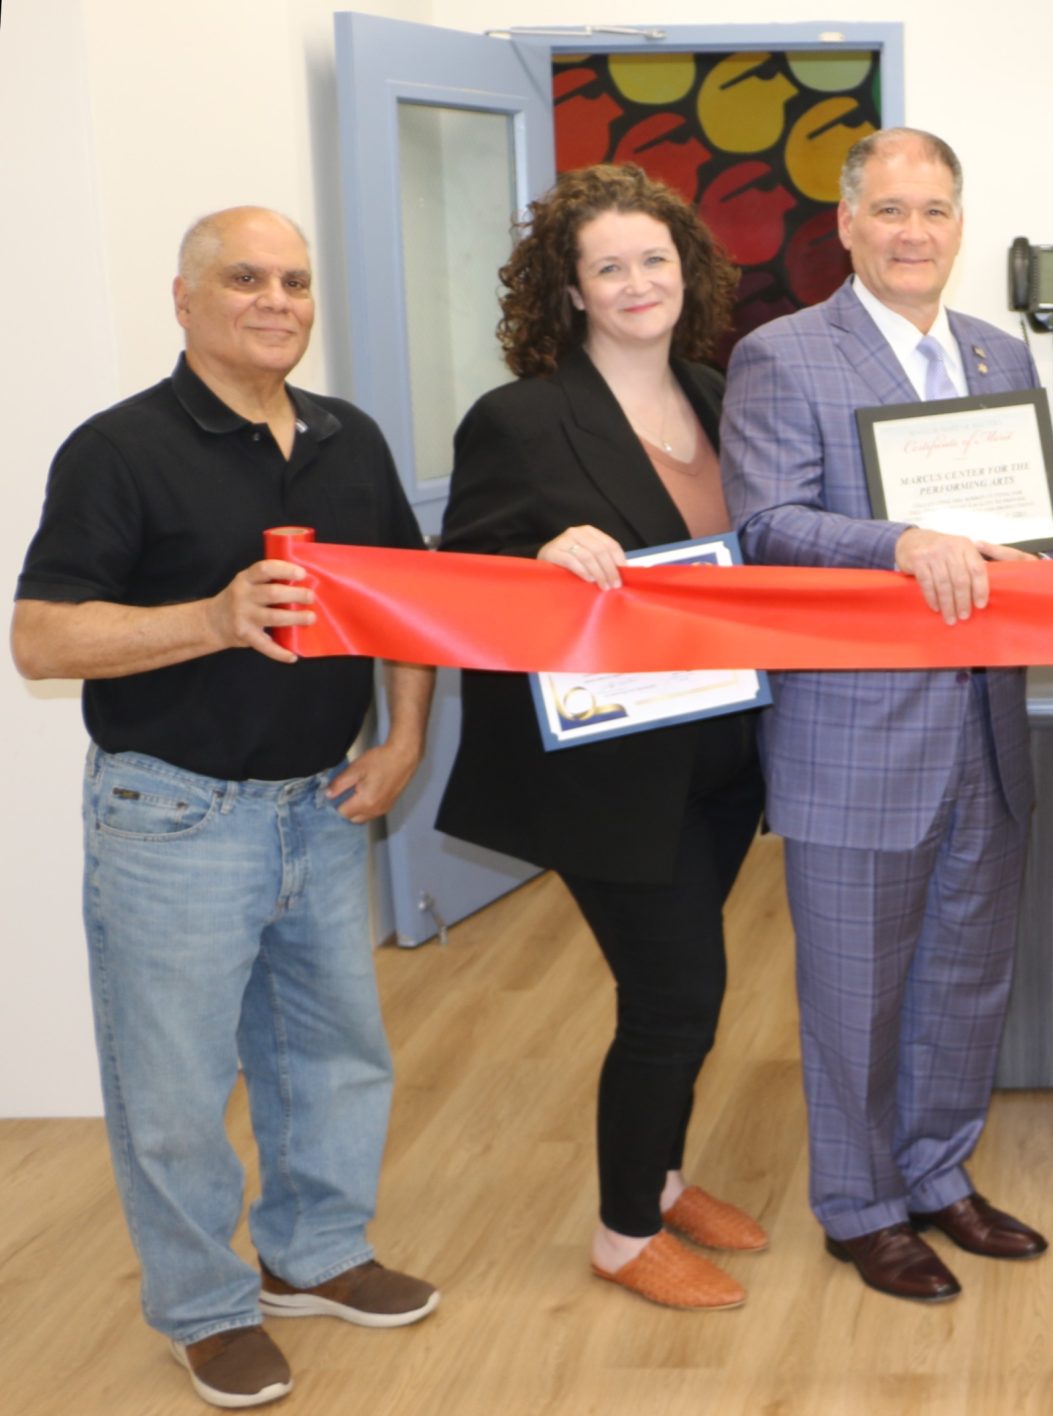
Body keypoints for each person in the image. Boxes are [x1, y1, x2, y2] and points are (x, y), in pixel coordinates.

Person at [12, 207, 440, 1409]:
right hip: (174, 817)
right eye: (246, 277)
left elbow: (404, 602)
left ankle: (315, 1256)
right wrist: (215, 615)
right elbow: (40, 641)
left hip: (322, 804)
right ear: (185, 299)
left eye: (296, 280)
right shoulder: (119, 448)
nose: (277, 299)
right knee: (177, 1087)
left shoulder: (348, 438)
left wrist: (403, 738)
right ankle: (204, 1309)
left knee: (332, 1057)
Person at [721, 128, 1047, 1304]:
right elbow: (765, 523)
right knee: (854, 991)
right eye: (891, 211)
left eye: (937, 211)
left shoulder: (998, 354)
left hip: (985, 723)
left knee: (966, 973)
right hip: (854, 733)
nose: (915, 233)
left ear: (961, 225)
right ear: (847, 225)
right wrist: (904, 545)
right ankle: (859, 1207)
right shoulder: (782, 356)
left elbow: (1027, 523)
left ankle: (938, 1173)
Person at [435, 164, 768, 1311]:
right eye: (609, 267)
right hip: (612, 770)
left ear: (690, 272)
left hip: (725, 752)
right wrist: (535, 559)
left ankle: (666, 1179)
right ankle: (626, 1233)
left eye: (655, 261)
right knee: (675, 993)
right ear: (570, 292)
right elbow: (459, 580)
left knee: (686, 988)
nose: (637, 283)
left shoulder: (723, 394)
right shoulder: (519, 418)